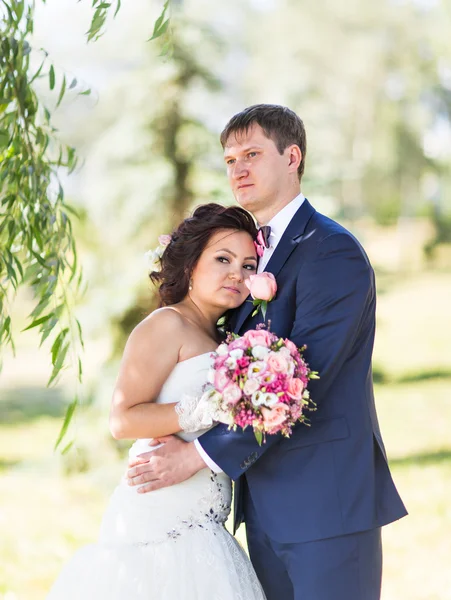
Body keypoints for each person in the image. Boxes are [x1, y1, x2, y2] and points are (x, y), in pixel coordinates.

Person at [126, 104, 408, 600]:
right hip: (260, 510)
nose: (238, 170)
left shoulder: (331, 251)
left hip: (328, 505)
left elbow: (302, 377)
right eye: (230, 159)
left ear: (292, 156)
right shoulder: (246, 257)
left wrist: (197, 455)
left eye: (252, 154)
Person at [46, 204, 267, 599]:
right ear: (190, 266)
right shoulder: (166, 324)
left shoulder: (228, 340)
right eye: (223, 259)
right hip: (158, 513)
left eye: (249, 265)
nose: (238, 273)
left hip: (206, 518)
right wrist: (212, 407)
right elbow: (122, 419)